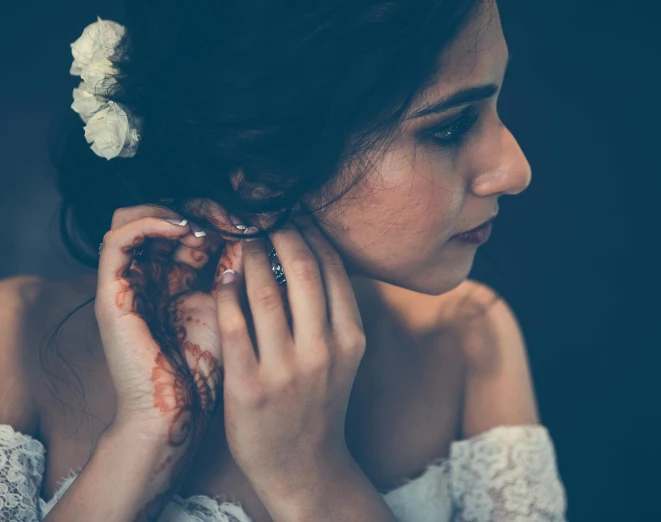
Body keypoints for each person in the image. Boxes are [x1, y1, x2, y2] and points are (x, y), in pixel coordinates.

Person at [0, 0, 568, 520]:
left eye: (496, 103)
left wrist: (312, 475)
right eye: (449, 127)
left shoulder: (468, 338)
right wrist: (142, 438)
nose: (515, 170)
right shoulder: (15, 335)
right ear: (259, 167)